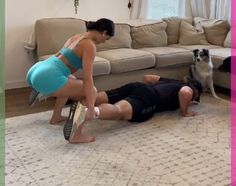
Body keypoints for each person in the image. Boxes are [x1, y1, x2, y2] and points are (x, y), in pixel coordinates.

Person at [26, 18, 115, 144]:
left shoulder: (77, 36)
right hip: (47, 75)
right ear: (104, 32)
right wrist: (90, 107)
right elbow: (87, 78)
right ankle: (76, 135)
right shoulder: (89, 45)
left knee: (71, 80)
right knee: (92, 91)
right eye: (106, 39)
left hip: (38, 68)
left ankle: (55, 116)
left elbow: (60, 57)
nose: (104, 42)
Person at [64, 75, 203, 143]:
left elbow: (147, 77)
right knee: (119, 111)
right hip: (150, 98)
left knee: (103, 96)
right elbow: (185, 93)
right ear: (196, 93)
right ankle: (87, 112)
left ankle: (80, 104)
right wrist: (185, 112)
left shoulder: (173, 81)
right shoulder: (189, 89)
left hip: (137, 86)